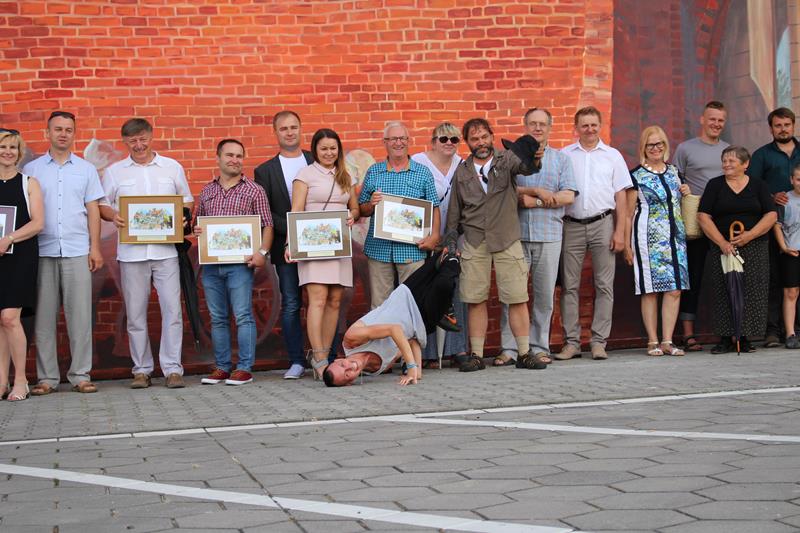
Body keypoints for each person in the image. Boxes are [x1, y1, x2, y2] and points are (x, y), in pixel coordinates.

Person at [100, 118, 193, 389]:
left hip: (166, 252)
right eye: (132, 141)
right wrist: (113, 216)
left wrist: (183, 216)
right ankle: (141, 370)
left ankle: (172, 369)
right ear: (125, 142)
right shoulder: (115, 172)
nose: (138, 145)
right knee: (135, 314)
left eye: (142, 139)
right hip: (131, 253)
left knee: (172, 311)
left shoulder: (172, 167)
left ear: (151, 137)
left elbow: (186, 199)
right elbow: (102, 204)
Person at [445, 117, 545, 372]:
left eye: (484, 137)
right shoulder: (462, 171)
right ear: (467, 142)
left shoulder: (507, 159)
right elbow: (454, 211)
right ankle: (477, 355)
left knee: (517, 297)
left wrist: (535, 157)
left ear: (491, 136)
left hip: (506, 237)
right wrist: (450, 242)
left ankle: (524, 353)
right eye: (474, 139)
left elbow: (527, 167)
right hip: (475, 239)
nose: (481, 142)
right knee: (475, 299)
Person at [22, 111, 105, 396]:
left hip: (77, 250)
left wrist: (95, 247)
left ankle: (80, 375)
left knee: (80, 317)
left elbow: (93, 210)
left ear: (74, 134)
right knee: (44, 319)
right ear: (47, 133)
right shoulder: (31, 169)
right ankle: (47, 378)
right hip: (41, 251)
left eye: (68, 130)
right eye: (57, 129)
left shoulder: (86, 169)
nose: (63, 134)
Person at [255, 111, 337, 379]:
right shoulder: (265, 170)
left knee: (326, 301)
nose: (289, 132)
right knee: (291, 302)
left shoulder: (319, 158)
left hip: (322, 245)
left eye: (293, 127)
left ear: (301, 129)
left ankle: (326, 357)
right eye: (283, 128)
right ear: (275, 133)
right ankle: (297, 360)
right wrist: (297, 231)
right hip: (285, 246)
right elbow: (266, 211)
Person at [498, 107, 577, 366]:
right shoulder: (512, 157)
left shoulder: (562, 159)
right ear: (525, 126)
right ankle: (510, 349)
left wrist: (537, 202)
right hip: (516, 235)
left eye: (543, 124)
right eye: (533, 123)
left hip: (549, 235)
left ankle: (539, 347)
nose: (538, 128)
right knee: (513, 295)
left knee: (544, 297)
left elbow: (569, 195)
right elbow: (503, 189)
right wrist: (532, 192)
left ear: (550, 127)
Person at [195, 139, 273, 386]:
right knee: (217, 317)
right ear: (218, 158)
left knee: (243, 315)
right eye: (229, 155)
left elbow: (267, 225)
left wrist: (262, 252)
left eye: (239, 156)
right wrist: (197, 230)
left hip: (240, 265)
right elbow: (199, 224)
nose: (235, 160)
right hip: (211, 265)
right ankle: (222, 367)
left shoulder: (254, 190)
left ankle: (244, 368)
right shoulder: (207, 191)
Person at [558, 106, 632, 361]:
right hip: (571, 225)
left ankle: (599, 342)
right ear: (576, 128)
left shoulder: (612, 156)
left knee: (604, 285)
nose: (589, 129)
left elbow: (621, 196)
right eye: (584, 125)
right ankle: (571, 343)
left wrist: (619, 232)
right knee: (570, 286)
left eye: (593, 125)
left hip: (603, 223)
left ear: (600, 126)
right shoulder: (565, 155)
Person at [323, 251, 460, 387]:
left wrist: (411, 367)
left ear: (337, 360)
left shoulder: (352, 339)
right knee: (444, 284)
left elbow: (394, 329)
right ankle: (445, 305)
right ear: (350, 382)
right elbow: (411, 341)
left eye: (343, 365)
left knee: (443, 261)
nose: (350, 367)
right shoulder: (378, 368)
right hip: (422, 322)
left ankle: (446, 298)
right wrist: (417, 373)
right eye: (347, 375)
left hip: (408, 296)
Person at [284, 129, 359, 379]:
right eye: (324, 148)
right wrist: (289, 245)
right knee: (317, 299)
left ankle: (325, 357)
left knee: (335, 300)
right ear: (315, 150)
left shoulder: (346, 174)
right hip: (312, 244)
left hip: (339, 244)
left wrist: (352, 216)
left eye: (333, 148)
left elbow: (355, 208)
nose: (329, 153)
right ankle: (317, 357)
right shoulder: (304, 175)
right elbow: (295, 210)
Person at [697, 146, 777, 354]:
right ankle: (725, 338)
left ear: (745, 164)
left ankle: (745, 337)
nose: (726, 164)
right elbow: (703, 216)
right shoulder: (715, 185)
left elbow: (771, 215)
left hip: (754, 246)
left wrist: (750, 235)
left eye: (731, 161)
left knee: (752, 290)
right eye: (724, 161)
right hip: (723, 246)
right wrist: (722, 242)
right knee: (724, 289)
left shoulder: (758, 185)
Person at [623, 126, 691, 356]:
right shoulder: (636, 176)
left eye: (659, 143)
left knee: (674, 289)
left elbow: (680, 202)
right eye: (651, 144)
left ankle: (667, 341)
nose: (656, 148)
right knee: (650, 290)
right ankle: (652, 341)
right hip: (648, 240)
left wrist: (686, 190)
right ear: (643, 148)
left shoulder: (674, 172)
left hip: (676, 239)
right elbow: (628, 213)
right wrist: (627, 245)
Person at [358, 121, 440, 310]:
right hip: (379, 249)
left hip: (412, 248)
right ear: (385, 142)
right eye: (393, 139)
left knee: (412, 303)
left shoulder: (422, 172)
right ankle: (382, 332)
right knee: (380, 305)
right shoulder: (374, 171)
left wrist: (434, 236)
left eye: (402, 138)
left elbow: (434, 206)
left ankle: (409, 332)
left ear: (408, 141)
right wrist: (371, 204)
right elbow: (362, 209)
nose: (398, 143)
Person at [410, 122, 469, 368]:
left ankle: (458, 349)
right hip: (423, 239)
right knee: (426, 291)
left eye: (454, 139)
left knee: (456, 290)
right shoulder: (417, 162)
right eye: (443, 139)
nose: (449, 143)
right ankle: (428, 352)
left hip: (455, 236)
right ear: (433, 141)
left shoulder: (464, 165)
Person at [672, 101, 729, 352]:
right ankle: (688, 333)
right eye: (712, 119)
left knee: (725, 277)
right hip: (694, 221)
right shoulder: (686, 148)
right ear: (702, 120)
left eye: (720, 120)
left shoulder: (728, 150)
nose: (716, 124)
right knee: (692, 276)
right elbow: (675, 180)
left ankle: (729, 332)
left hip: (722, 221)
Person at [748, 107, 800, 347]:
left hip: (798, 228)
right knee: (774, 277)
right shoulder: (762, 155)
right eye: (778, 125)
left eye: (786, 125)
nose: (783, 129)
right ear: (771, 128)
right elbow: (752, 187)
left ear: (793, 125)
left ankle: (794, 330)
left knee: (796, 281)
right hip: (771, 226)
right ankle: (772, 330)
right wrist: (771, 196)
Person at [0, 128, 44, 401]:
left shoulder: (29, 183)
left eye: (12, 148)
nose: (8, 152)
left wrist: (9, 239)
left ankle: (20, 380)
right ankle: (1, 381)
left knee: (9, 318)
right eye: (3, 147)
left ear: (19, 152)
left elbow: (38, 223)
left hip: (19, 258)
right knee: (0, 321)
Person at [773, 163, 800, 349]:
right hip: (792, 251)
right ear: (791, 180)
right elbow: (777, 225)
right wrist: (784, 247)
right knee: (791, 292)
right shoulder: (785, 200)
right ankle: (790, 333)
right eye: (798, 179)